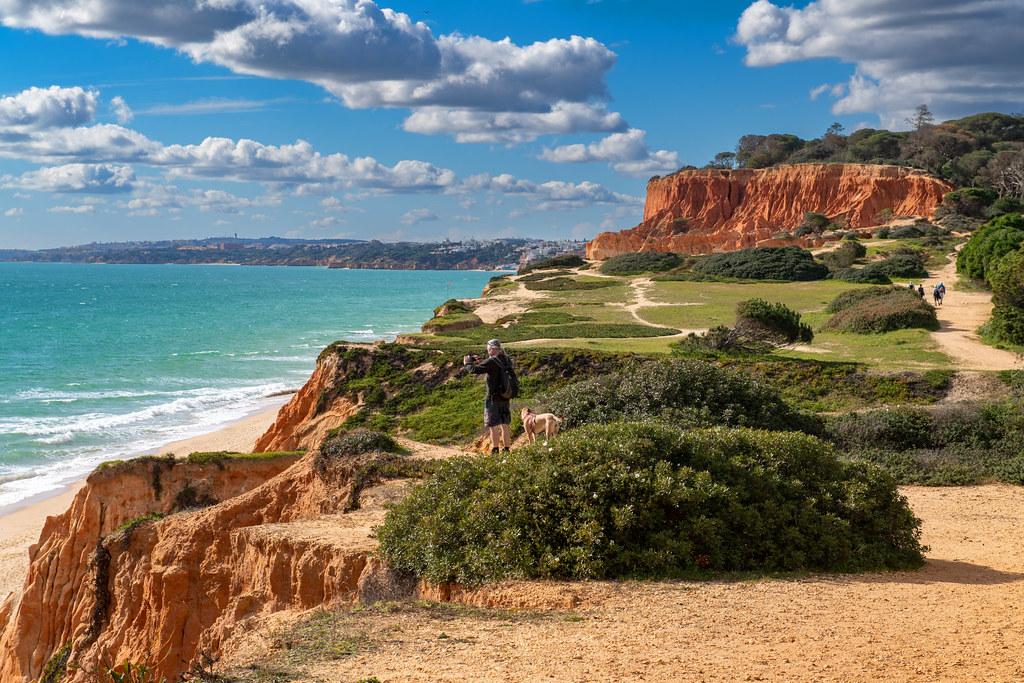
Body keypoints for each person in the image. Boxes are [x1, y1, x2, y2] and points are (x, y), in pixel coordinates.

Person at [464, 339, 515, 454]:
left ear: (492, 349)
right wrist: (481, 361)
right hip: (505, 396)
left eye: (487, 349)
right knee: (505, 425)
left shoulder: (491, 361)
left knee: (493, 425)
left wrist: (467, 363)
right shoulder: (506, 360)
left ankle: (495, 450)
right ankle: (507, 449)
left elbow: (474, 370)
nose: (487, 351)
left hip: (493, 398)